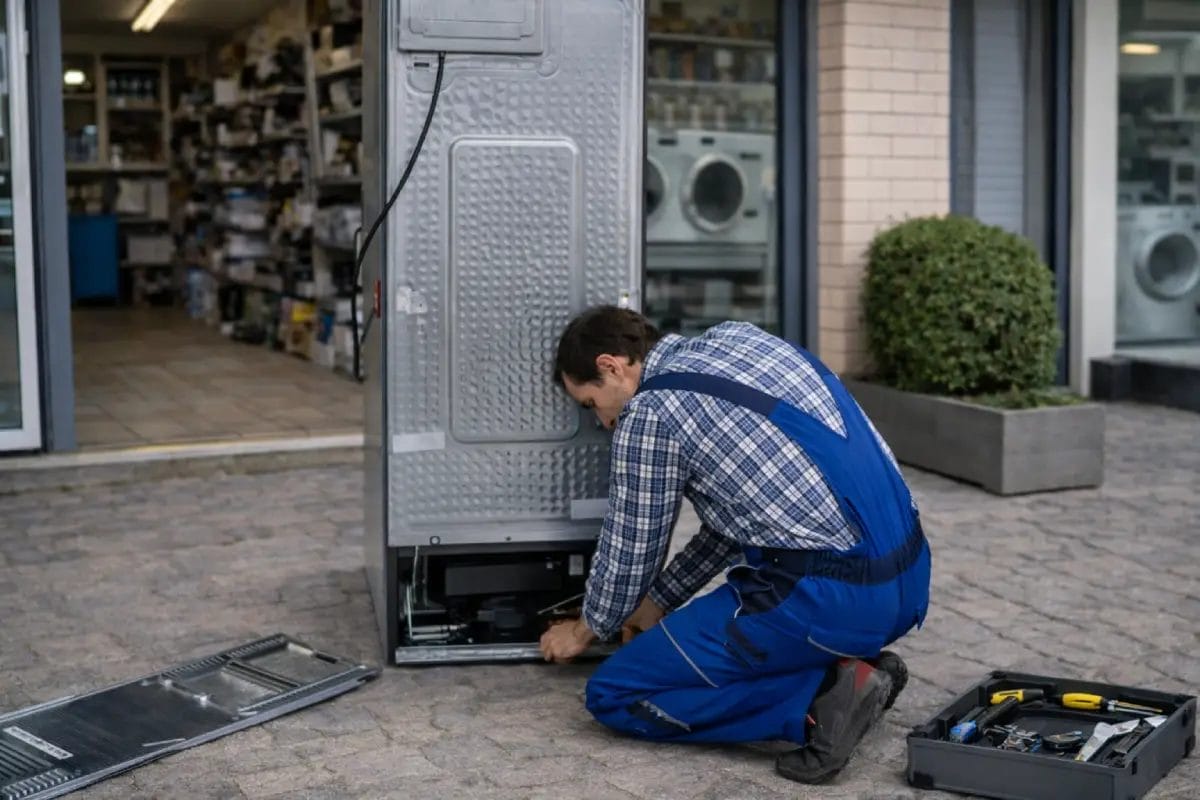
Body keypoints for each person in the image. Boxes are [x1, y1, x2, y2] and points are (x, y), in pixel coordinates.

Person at [538, 305, 931, 784]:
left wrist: (583, 631)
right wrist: (659, 600)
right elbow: (735, 521)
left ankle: (823, 698)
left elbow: (631, 549)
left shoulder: (649, 412)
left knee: (616, 692)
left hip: (830, 597)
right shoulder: (740, 341)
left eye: (590, 404)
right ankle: (854, 663)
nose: (602, 422)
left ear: (611, 366)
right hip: (906, 581)